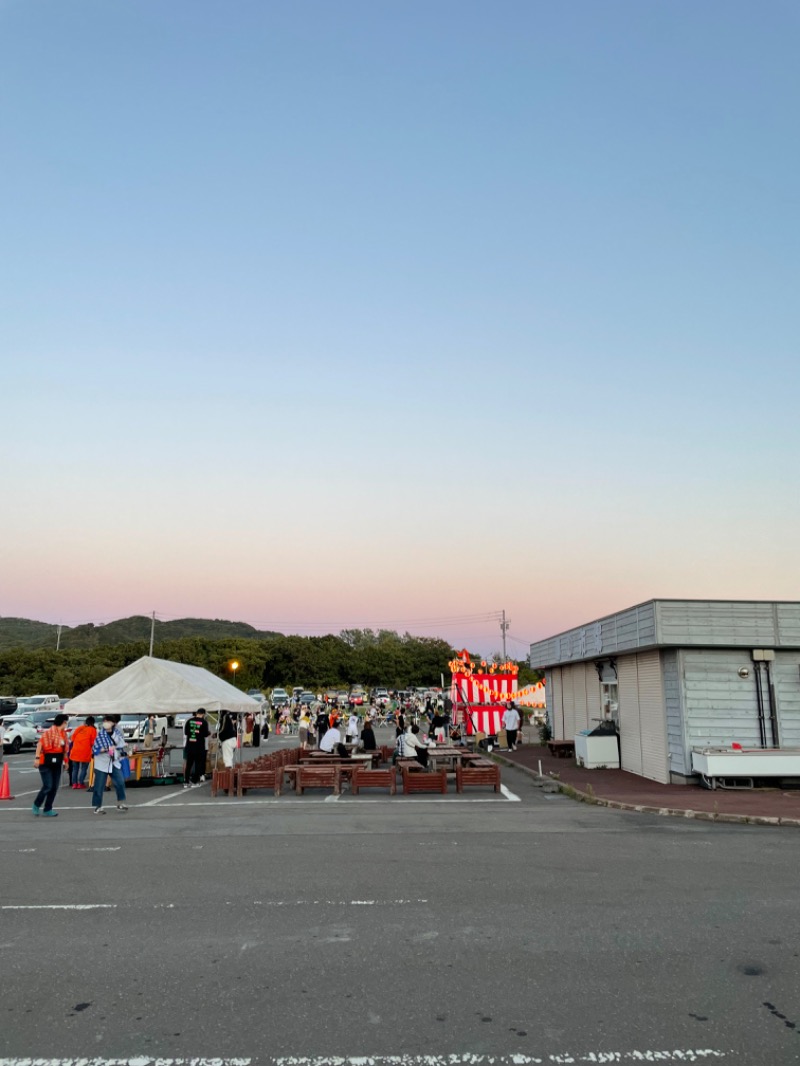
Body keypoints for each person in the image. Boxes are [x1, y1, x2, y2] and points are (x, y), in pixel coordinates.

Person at [32, 713, 69, 816]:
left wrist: (66, 762)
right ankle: (36, 804)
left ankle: (48, 809)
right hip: (45, 762)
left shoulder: (64, 734)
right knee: (48, 785)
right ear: (63, 722)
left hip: (57, 762)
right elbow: (40, 745)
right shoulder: (48, 733)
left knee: (54, 787)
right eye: (66, 722)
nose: (66, 724)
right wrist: (37, 758)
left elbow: (65, 749)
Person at [91, 717, 129, 815]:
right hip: (102, 762)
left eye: (108, 721)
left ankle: (120, 803)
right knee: (99, 785)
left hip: (114, 761)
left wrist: (123, 747)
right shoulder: (100, 735)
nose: (106, 723)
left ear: (113, 723)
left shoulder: (117, 733)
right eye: (104, 721)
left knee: (120, 782)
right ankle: (97, 807)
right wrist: (106, 749)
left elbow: (121, 744)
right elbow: (95, 749)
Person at [68, 715, 97, 789]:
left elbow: (73, 738)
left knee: (75, 769)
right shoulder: (93, 730)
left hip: (75, 751)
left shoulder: (79, 728)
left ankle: (74, 784)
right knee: (84, 768)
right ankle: (80, 783)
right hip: (85, 751)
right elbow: (93, 742)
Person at [184, 708, 210, 787]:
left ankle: (186, 781)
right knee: (198, 764)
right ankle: (195, 781)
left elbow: (186, 732)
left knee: (189, 764)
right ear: (203, 714)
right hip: (199, 746)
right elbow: (205, 734)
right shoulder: (204, 722)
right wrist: (208, 733)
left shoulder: (189, 721)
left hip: (190, 745)